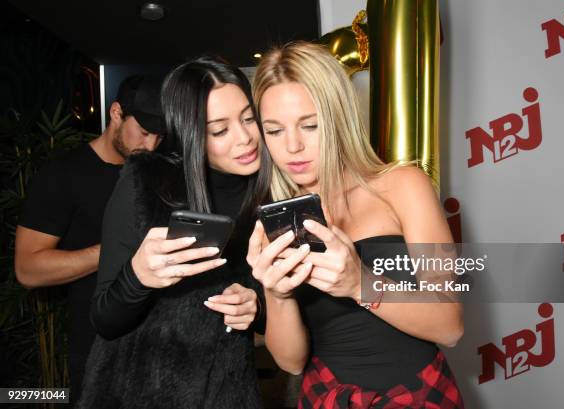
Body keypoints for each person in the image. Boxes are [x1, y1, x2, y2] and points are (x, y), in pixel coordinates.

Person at [247, 41, 465, 408]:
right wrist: (277, 293)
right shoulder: (276, 215)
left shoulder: (404, 186)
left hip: (417, 396)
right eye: (274, 130)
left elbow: (450, 324)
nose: (293, 146)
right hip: (327, 397)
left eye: (310, 125)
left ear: (338, 117)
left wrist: (359, 283)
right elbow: (291, 361)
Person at [76, 56, 269, 409]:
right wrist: (138, 276)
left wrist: (258, 309)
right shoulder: (145, 183)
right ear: (190, 132)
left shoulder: (275, 192)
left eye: (248, 118)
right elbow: (105, 320)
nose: (245, 138)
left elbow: (297, 316)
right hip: (135, 391)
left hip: (227, 391)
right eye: (220, 130)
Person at [14, 74, 165, 401]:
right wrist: (120, 250)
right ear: (115, 114)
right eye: (143, 132)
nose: (151, 146)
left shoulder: (157, 173)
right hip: (97, 351)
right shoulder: (63, 176)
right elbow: (27, 269)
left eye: (159, 137)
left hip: (157, 351)